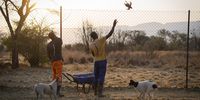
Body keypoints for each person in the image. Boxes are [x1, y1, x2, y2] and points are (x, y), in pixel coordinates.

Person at [89, 19, 118, 97]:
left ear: (92, 37)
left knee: (96, 75)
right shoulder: (101, 40)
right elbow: (110, 34)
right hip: (102, 61)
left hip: (96, 62)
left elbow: (93, 55)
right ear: (97, 35)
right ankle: (100, 93)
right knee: (101, 76)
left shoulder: (91, 45)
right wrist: (113, 26)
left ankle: (95, 92)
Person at [47, 31, 64, 97]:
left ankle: (53, 91)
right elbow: (60, 44)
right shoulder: (59, 40)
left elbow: (48, 55)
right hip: (58, 60)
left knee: (54, 76)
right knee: (59, 76)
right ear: (54, 35)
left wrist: (51, 59)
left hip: (53, 61)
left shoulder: (48, 45)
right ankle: (58, 93)